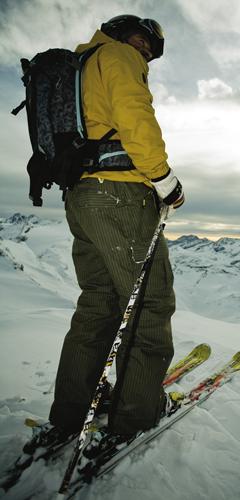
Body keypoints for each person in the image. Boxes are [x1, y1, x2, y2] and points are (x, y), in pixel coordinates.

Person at [25, 15, 184, 454]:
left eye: (151, 49)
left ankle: (71, 412)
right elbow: (135, 112)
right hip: (120, 194)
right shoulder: (117, 57)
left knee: (99, 302)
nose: (146, 52)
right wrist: (162, 177)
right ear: (120, 34)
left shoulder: (77, 67)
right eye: (143, 41)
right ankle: (136, 416)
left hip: (81, 196)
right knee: (149, 303)